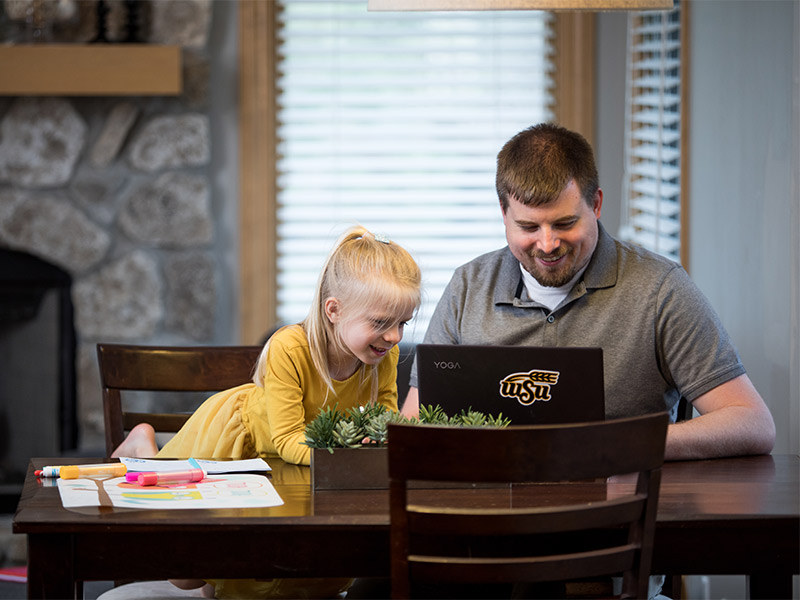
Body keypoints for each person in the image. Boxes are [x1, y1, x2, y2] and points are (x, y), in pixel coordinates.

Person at [402, 123, 775, 462]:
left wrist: (624, 444)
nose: (547, 244)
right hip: (488, 517)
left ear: (595, 205)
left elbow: (752, 422)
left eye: (565, 223)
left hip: (617, 517)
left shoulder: (660, 289)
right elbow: (414, 427)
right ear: (503, 214)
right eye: (528, 226)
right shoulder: (467, 288)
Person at [111, 225, 422, 599]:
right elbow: (287, 439)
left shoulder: (381, 356)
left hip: (301, 468)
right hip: (243, 444)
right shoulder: (289, 347)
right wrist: (350, 459)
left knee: (256, 569)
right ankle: (144, 447)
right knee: (186, 575)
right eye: (381, 323)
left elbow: (383, 422)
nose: (395, 337)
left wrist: (380, 440)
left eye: (403, 323)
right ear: (334, 310)